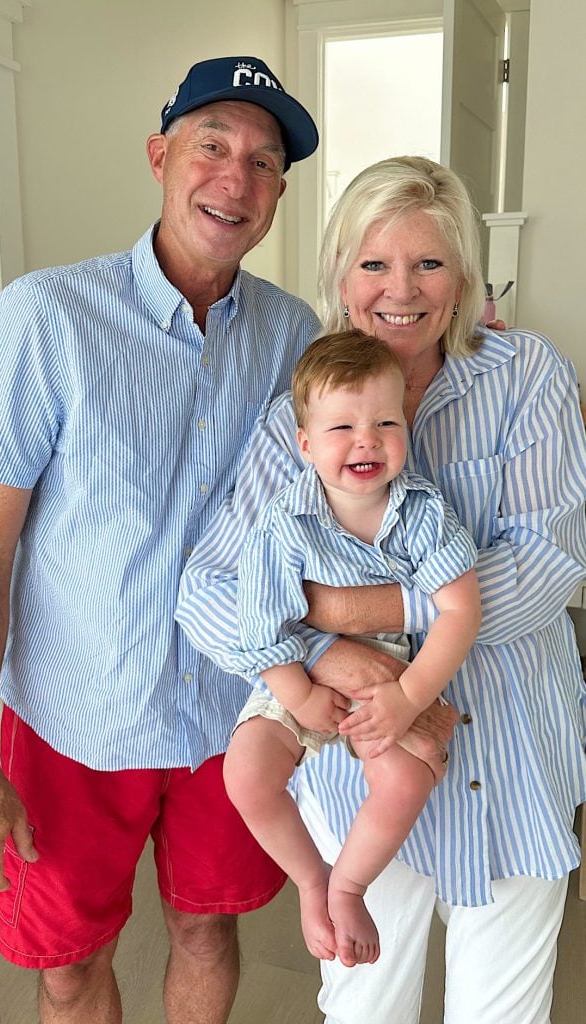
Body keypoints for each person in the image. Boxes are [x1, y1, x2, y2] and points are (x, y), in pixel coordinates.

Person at [0, 56, 321, 1024]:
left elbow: (312, 530)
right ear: (159, 156)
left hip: (224, 716)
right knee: (66, 962)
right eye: (211, 146)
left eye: (263, 162)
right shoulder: (47, 317)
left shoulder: (290, 334)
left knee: (207, 927)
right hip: (72, 721)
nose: (234, 179)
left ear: (277, 192)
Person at [175, 156, 586, 1023]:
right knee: (365, 1009)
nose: (400, 289)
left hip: (506, 760)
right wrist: (335, 657)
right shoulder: (295, 411)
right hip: (355, 769)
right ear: (339, 276)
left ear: (465, 278)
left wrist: (340, 609)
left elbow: (547, 565)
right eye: (373, 264)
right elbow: (206, 587)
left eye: (428, 263)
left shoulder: (528, 376)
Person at [200, 329, 481, 969]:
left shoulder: (423, 513)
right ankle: (311, 880)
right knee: (245, 771)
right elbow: (260, 622)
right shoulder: (285, 519)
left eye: (386, 420)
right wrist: (297, 693)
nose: (367, 439)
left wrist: (409, 697)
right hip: (295, 667)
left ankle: (348, 887)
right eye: (341, 427)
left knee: (405, 776)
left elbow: (461, 611)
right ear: (303, 445)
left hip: (392, 673)